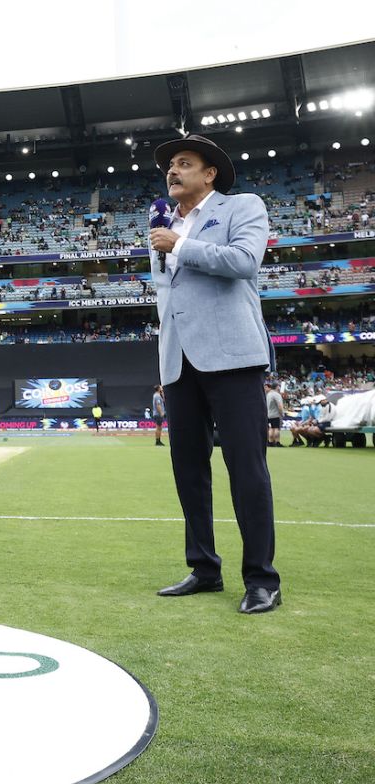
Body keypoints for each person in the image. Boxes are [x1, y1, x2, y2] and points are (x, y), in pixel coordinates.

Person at [149, 134, 282, 615]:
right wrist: (165, 363)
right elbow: (169, 298)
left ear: (210, 175)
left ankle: (262, 579)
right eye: (170, 165)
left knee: (246, 469)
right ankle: (204, 568)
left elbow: (245, 263)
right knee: (188, 470)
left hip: (231, 356)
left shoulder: (242, 206)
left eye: (185, 163)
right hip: (180, 362)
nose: (173, 170)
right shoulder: (162, 223)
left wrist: (181, 244)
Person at [265, 381, 284, 446]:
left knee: (270, 429)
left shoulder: (268, 394)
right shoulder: (276, 395)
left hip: (268, 414)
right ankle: (277, 442)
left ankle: (270, 442)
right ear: (277, 387)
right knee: (276, 428)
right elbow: (279, 405)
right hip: (275, 414)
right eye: (278, 386)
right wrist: (282, 413)